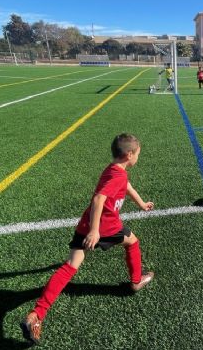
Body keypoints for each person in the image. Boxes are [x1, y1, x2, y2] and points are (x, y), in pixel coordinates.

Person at [20, 134, 155, 345]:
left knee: (70, 266)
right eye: (138, 153)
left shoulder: (114, 170)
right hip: (105, 227)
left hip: (85, 224)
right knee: (133, 242)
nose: (138, 157)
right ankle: (136, 282)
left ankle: (36, 315)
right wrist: (95, 231)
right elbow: (98, 199)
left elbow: (127, 187)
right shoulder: (118, 175)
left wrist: (141, 204)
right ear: (129, 155)